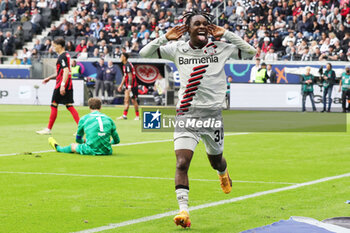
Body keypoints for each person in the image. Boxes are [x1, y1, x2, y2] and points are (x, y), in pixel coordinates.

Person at [139, 9, 256, 228]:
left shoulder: (221, 48)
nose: (202, 26)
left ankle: (223, 173)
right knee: (182, 162)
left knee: (216, 161)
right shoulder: (177, 49)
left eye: (205, 24)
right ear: (188, 29)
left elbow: (250, 52)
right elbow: (145, 54)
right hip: (187, 114)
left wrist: (227, 34)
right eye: (197, 24)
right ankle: (183, 211)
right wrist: (165, 37)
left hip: (213, 115)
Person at [36, 38, 80, 135]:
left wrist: (62, 85)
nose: (53, 47)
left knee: (54, 104)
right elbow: (61, 71)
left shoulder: (62, 57)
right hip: (67, 83)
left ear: (59, 45)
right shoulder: (66, 55)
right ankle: (80, 129)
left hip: (62, 84)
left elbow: (66, 71)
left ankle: (48, 129)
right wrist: (49, 78)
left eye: (54, 45)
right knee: (69, 106)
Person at [48, 98, 120, 155]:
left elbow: (78, 140)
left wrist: (84, 141)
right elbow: (117, 140)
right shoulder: (108, 119)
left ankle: (58, 148)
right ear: (100, 107)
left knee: (73, 146)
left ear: (89, 107)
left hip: (90, 150)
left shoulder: (84, 119)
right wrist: (108, 142)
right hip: (107, 151)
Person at [117, 53, 139, 120]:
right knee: (126, 100)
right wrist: (121, 85)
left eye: (121, 56)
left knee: (133, 100)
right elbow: (125, 76)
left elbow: (130, 76)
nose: (120, 58)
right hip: (127, 85)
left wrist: (129, 87)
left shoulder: (128, 65)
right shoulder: (125, 65)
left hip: (132, 86)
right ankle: (124, 115)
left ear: (124, 57)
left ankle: (137, 116)